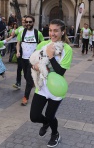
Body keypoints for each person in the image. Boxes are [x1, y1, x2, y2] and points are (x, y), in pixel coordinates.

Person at [30, 19, 73, 148]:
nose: (52, 33)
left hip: (56, 88)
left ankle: (55, 134)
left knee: (50, 114)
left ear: (62, 32)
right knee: (34, 116)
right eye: (50, 30)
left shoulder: (67, 49)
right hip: (42, 87)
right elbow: (33, 62)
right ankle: (47, 123)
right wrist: (34, 67)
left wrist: (50, 56)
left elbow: (60, 72)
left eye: (56, 30)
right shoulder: (43, 44)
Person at [16, 15, 44, 106]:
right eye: (26, 22)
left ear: (33, 23)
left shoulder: (37, 33)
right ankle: (31, 83)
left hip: (33, 60)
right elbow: (18, 43)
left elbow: (43, 45)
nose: (28, 23)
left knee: (28, 79)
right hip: (23, 59)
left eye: (30, 22)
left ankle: (25, 97)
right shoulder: (22, 32)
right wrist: (17, 51)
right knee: (26, 76)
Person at [12, 16, 26, 89]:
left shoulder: (32, 31)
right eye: (22, 20)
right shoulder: (20, 28)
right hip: (20, 50)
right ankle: (18, 82)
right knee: (19, 67)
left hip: (28, 51)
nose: (23, 21)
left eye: (25, 20)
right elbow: (13, 35)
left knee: (27, 68)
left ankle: (30, 81)